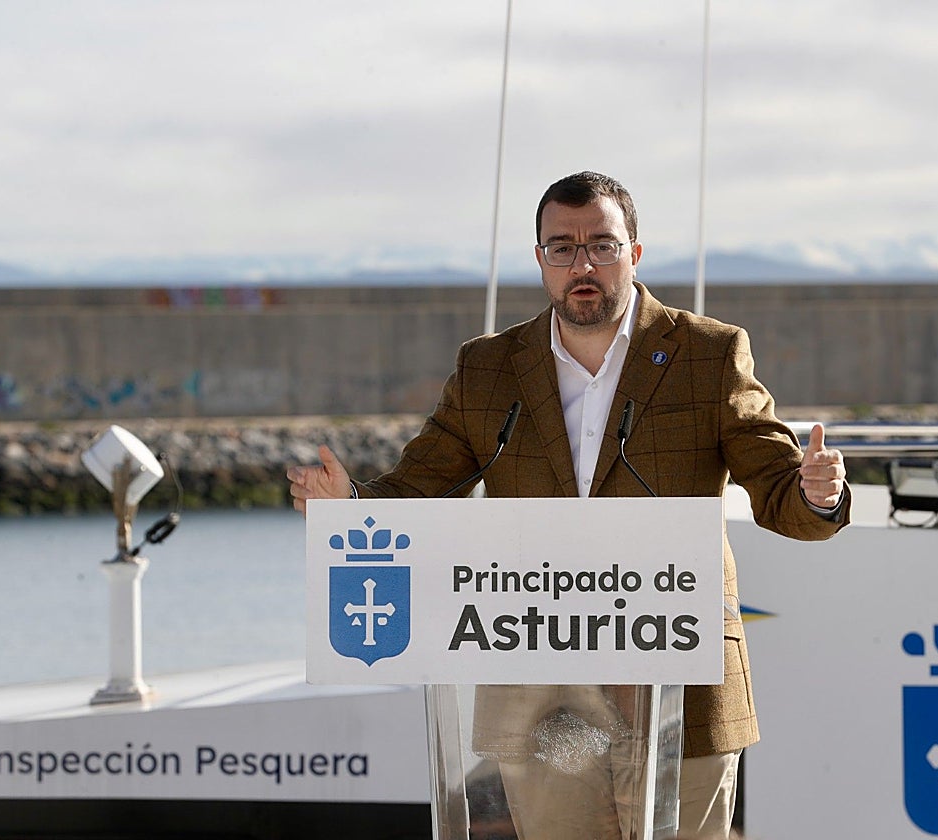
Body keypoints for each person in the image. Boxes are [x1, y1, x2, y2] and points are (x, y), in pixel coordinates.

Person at [288, 170, 849, 839]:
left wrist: (817, 492)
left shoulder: (709, 354)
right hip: (546, 698)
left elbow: (778, 490)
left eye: (602, 246)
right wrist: (349, 503)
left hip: (681, 690)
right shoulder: (488, 368)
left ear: (634, 253)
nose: (583, 264)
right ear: (541, 261)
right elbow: (418, 489)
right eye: (563, 248)